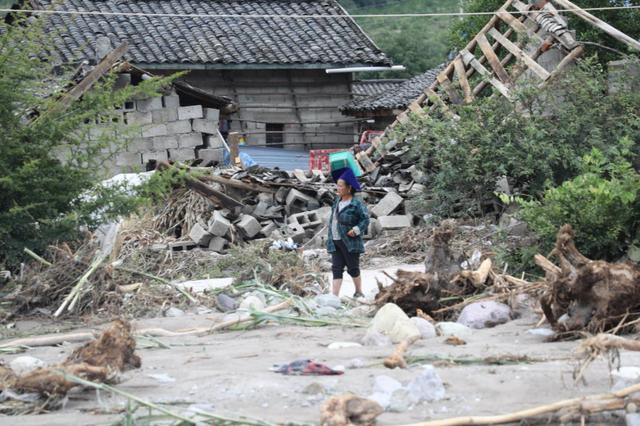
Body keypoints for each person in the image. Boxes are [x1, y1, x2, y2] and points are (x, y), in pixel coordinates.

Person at [327, 168, 370, 298]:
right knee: (336, 269)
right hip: (335, 241)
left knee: (353, 268)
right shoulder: (337, 201)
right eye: (337, 185)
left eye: (340, 186)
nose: (338, 188)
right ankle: (334, 296)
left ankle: (358, 291)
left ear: (349, 188)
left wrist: (356, 230)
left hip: (349, 241)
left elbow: (365, 219)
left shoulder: (356, 204)